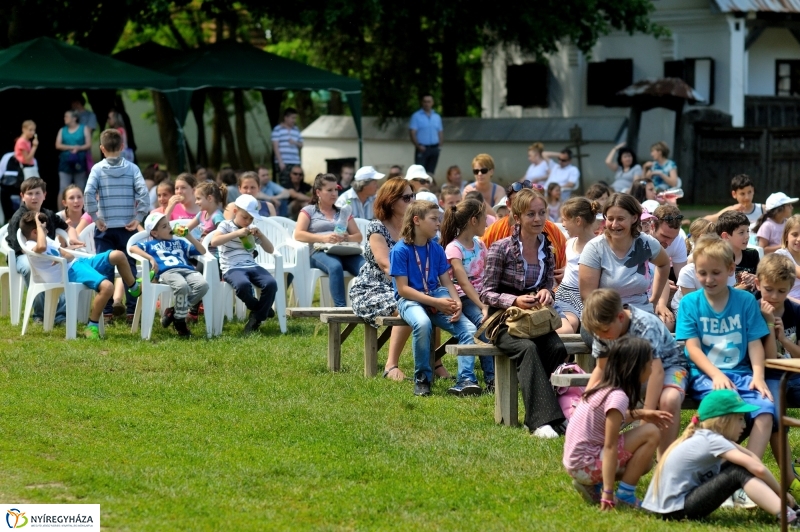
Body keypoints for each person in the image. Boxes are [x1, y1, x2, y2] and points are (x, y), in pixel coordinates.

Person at [677, 234, 776, 468]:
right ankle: (710, 470)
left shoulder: (745, 301)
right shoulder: (689, 303)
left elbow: (754, 344)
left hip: (743, 374)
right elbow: (692, 348)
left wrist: (759, 377)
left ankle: (744, 475)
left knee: (765, 410)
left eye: (715, 272)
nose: (709, 279)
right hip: (706, 376)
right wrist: (716, 375)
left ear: (731, 269)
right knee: (721, 409)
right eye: (702, 273)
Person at [480, 188, 568, 437]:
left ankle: (556, 415)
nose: (538, 219)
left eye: (542, 213)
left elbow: (549, 284)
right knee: (527, 349)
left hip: (535, 320)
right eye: (531, 214)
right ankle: (541, 421)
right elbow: (486, 292)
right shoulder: (501, 248)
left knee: (557, 348)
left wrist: (546, 293)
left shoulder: (547, 248)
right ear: (517, 217)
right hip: (502, 321)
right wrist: (514, 300)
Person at [644, 390, 797, 523]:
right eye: (740, 418)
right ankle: (789, 516)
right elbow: (758, 469)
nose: (744, 425)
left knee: (741, 467)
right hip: (674, 511)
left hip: (668, 507)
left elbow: (752, 458)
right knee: (738, 472)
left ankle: (783, 508)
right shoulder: (713, 440)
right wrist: (782, 493)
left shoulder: (705, 435)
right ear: (724, 421)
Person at [581, 289, 687, 457]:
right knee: (602, 397)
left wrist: (645, 418)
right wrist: (586, 399)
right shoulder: (604, 328)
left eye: (605, 333)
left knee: (669, 399)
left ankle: (665, 459)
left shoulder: (645, 325)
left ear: (621, 318)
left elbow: (656, 372)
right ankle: (601, 452)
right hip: (633, 372)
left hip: (670, 367)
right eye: (599, 335)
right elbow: (601, 368)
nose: (603, 338)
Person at [564, 337, 667, 508]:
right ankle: (624, 495)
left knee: (645, 461)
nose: (651, 368)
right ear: (636, 367)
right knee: (651, 432)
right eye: (649, 363)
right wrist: (608, 493)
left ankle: (592, 484)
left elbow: (613, 418)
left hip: (576, 463)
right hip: (585, 465)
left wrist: (642, 413)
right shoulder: (617, 396)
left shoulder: (604, 387)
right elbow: (610, 446)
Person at [390, 200, 479, 396]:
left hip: (435, 295)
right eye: (433, 219)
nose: (438, 223)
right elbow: (403, 290)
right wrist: (436, 303)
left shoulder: (436, 249)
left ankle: (465, 379)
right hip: (410, 300)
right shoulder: (400, 250)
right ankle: (422, 378)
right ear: (417, 220)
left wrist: (456, 303)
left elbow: (447, 282)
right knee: (422, 324)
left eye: (438, 219)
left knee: (469, 329)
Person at [20, 211, 140, 339]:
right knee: (107, 287)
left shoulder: (46, 240)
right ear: (35, 232)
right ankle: (92, 326)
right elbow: (42, 247)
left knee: (118, 255)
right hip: (71, 271)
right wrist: (39, 226)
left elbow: (66, 254)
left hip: (78, 263)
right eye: (45, 229)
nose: (47, 232)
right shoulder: (31, 245)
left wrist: (68, 251)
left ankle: (134, 288)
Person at [349, 178, 416, 381]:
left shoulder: (412, 228)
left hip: (405, 285)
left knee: (432, 303)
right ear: (390, 200)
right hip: (372, 289)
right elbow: (386, 265)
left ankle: (435, 362)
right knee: (408, 306)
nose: (412, 201)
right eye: (406, 197)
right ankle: (391, 365)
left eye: (414, 196)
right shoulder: (376, 227)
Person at [84, 129, 149, 322]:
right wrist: (138, 217)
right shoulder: (132, 169)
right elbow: (143, 194)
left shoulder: (97, 169)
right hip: (127, 227)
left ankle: (106, 312)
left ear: (102, 149)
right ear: (122, 147)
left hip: (104, 228)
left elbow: (88, 193)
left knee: (104, 268)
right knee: (129, 268)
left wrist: (95, 217)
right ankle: (131, 311)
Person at [579, 193, 671, 321]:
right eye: (610, 219)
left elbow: (664, 263)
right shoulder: (595, 248)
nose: (614, 224)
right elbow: (588, 297)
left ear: (634, 218)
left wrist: (655, 299)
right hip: (603, 317)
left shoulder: (646, 243)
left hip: (641, 313)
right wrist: (623, 318)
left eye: (620, 219)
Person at [6, 178, 81, 324]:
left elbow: (68, 227)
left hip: (48, 254)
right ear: (22, 196)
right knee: (31, 267)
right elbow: (20, 247)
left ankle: (61, 315)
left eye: (37, 193)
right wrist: (46, 257)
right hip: (23, 255)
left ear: (44, 195)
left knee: (69, 266)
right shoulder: (19, 218)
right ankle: (39, 314)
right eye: (30, 194)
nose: (34, 197)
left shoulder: (49, 214)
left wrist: (73, 239)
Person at [758, 253, 800, 498]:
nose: (773, 297)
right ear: (758, 284)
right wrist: (768, 324)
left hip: (793, 372)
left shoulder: (794, 311)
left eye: (781, 291)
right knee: (774, 414)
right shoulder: (753, 308)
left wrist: (784, 338)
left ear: (790, 288)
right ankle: (788, 478)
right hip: (767, 374)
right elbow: (768, 361)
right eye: (768, 289)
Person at [441, 198, 494, 391]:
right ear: (473, 221)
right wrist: (483, 305)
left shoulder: (479, 244)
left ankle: (494, 377)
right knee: (484, 325)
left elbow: (488, 272)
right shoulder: (454, 248)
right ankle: (488, 379)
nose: (487, 223)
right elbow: (462, 281)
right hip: (464, 296)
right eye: (483, 219)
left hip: (482, 295)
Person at [130, 212, 209, 337]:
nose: (169, 228)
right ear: (155, 233)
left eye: (168, 225)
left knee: (203, 285)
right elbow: (132, 248)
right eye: (164, 227)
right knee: (182, 286)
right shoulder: (151, 244)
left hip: (188, 270)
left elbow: (202, 250)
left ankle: (174, 312)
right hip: (168, 271)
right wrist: (150, 258)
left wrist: (188, 236)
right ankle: (180, 322)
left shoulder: (180, 242)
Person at [293, 173, 365, 308]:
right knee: (335, 266)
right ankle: (341, 309)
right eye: (330, 190)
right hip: (318, 251)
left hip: (344, 250)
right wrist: (323, 238)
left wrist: (346, 237)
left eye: (336, 189)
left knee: (365, 267)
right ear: (318, 192)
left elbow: (358, 236)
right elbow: (298, 234)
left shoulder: (343, 211)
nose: (334, 193)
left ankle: (366, 304)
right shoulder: (308, 211)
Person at [210, 195, 278, 334]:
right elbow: (214, 241)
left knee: (271, 283)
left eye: (251, 218)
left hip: (251, 264)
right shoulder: (226, 225)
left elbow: (270, 249)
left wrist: (261, 236)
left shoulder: (252, 229)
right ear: (235, 212)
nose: (247, 221)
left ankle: (256, 318)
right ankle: (259, 308)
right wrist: (236, 233)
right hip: (231, 266)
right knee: (242, 285)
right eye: (244, 217)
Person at [482, 181, 567, 281]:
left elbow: (567, 261)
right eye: (518, 202)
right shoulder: (495, 232)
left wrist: (568, 270)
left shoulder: (552, 231)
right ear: (509, 205)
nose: (537, 219)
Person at [554, 198, 601, 334]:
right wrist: (565, 270)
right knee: (571, 323)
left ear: (578, 221)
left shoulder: (599, 246)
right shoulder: (570, 243)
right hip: (566, 294)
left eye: (564, 220)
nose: (562, 224)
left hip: (588, 295)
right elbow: (572, 265)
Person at [673, 218, 719, 316]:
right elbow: (691, 300)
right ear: (702, 237)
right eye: (715, 238)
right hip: (684, 306)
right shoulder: (692, 261)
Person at [717, 210, 760, 294]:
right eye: (741, 232)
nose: (747, 236)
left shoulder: (752, 254)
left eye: (747, 231)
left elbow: (763, 280)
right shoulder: (718, 259)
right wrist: (742, 287)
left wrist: (754, 278)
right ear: (725, 236)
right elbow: (718, 292)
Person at [55, 109, 92, 197]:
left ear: (74, 118)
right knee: (63, 188)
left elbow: (88, 144)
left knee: (81, 187)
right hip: (65, 163)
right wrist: (72, 147)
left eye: (66, 116)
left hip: (79, 162)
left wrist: (79, 148)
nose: (64, 118)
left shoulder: (84, 128)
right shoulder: (62, 130)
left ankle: (82, 209)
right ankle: (61, 210)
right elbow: (58, 145)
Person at [409, 93, 443, 174]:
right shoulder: (416, 116)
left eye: (429, 101)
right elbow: (412, 133)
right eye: (425, 101)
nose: (427, 104)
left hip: (434, 148)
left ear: (432, 103)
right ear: (422, 102)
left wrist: (440, 146)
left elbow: (440, 132)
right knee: (419, 173)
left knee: (431, 173)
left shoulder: (436, 117)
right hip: (422, 149)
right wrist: (418, 146)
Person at [272, 107, 303, 184]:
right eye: (292, 118)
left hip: (295, 161)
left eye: (295, 118)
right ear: (286, 118)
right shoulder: (278, 129)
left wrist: (295, 142)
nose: (294, 120)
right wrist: (280, 162)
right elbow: (275, 146)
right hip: (283, 162)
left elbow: (301, 145)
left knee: (296, 183)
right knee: (284, 183)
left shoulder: (296, 130)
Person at [776, 215, 800, 301]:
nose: (799, 239)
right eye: (795, 235)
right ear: (786, 236)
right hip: (788, 300)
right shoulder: (781, 255)